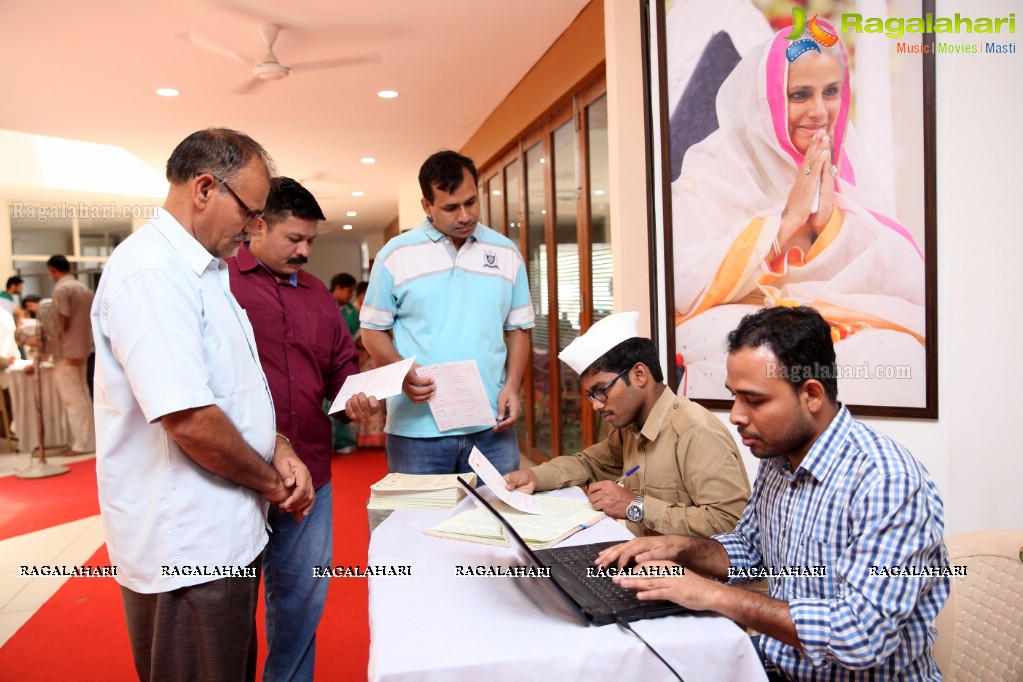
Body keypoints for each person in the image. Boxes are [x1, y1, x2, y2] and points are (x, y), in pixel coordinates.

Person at [598, 306, 949, 681]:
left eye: (755, 400)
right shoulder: (778, 459)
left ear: (811, 395)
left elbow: (859, 635)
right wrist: (681, 548)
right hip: (777, 665)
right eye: (734, 396)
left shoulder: (887, 482)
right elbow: (750, 551)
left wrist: (711, 594)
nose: (735, 415)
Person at [91, 128, 315, 681]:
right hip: (186, 544)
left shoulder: (205, 271)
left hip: (226, 530)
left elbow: (234, 392)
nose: (254, 227)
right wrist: (270, 482)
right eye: (251, 212)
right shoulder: (150, 270)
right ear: (205, 188)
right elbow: (188, 418)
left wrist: (279, 445)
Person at [672, 26, 926, 407]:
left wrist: (827, 226)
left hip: (824, 312)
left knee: (898, 355)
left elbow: (885, 273)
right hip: (734, 316)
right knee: (785, 364)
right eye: (799, 95)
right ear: (767, 100)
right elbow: (682, 280)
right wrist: (785, 221)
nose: (820, 112)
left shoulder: (843, 160)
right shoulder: (716, 164)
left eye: (831, 91)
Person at [226, 176, 379, 681]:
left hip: (312, 470)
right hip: (236, 472)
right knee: (229, 606)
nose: (306, 251)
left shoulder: (317, 294)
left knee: (302, 600)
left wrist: (352, 393)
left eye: (311, 240)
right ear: (257, 225)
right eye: (295, 239)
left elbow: (339, 365)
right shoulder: (221, 282)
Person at [361, 150, 533, 475]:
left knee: (497, 524)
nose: (465, 216)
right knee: (415, 525)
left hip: (492, 427)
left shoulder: (506, 253)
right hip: (417, 430)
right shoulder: (395, 255)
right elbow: (371, 331)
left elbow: (518, 328)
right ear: (426, 206)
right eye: (451, 208)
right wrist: (402, 370)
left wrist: (512, 385)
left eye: (471, 202)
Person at [504, 311, 749, 537]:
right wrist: (533, 476)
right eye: (591, 395)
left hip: (691, 578)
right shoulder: (631, 429)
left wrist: (636, 506)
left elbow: (730, 523)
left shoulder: (695, 431)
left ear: (639, 375)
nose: (596, 405)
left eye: (601, 391)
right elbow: (587, 464)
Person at [46, 255, 95, 455]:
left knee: (74, 401)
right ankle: (89, 441)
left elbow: (62, 321)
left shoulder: (62, 289)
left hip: (66, 352)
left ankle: (83, 444)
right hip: (83, 349)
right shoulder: (84, 288)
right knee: (83, 397)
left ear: (52, 270)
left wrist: (47, 339)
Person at [352, 281, 386, 448]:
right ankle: (362, 437)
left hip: (373, 358)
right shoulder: (352, 311)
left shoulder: (377, 309)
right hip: (360, 359)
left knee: (377, 395)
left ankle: (376, 436)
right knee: (363, 394)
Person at [330, 272, 359, 338]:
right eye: (349, 291)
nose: (352, 295)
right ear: (337, 288)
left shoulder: (352, 311)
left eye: (353, 291)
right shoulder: (322, 306)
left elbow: (356, 335)